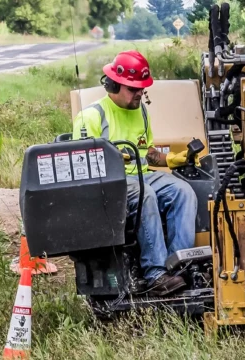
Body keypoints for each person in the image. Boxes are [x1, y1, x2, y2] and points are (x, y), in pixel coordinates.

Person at [71, 50, 195, 296]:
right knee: (144, 193)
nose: (140, 93)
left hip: (141, 175)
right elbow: (81, 165)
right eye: (134, 89)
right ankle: (156, 274)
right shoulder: (91, 117)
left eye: (142, 88)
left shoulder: (141, 111)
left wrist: (170, 159)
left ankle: (179, 266)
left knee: (183, 191)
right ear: (114, 85)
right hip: (110, 183)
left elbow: (147, 151)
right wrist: (111, 159)